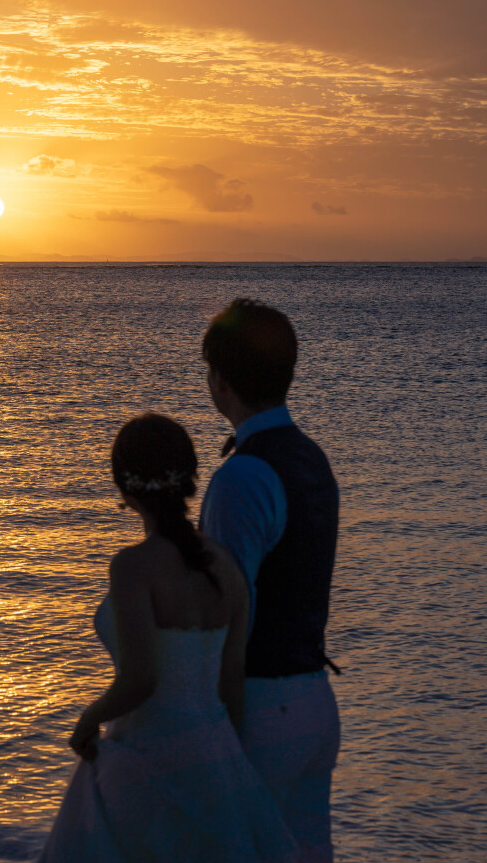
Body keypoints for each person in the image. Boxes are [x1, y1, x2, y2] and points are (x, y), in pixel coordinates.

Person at [40, 412, 299, 863]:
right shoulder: (226, 565)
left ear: (123, 486)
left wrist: (88, 719)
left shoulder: (132, 567)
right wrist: (226, 763)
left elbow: (141, 680)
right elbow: (231, 679)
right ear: (191, 479)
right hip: (215, 756)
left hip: (145, 758)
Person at [199, 299, 340, 863]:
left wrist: (217, 731)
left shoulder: (243, 475)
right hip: (313, 701)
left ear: (220, 380)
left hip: (262, 706)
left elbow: (228, 617)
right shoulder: (312, 458)